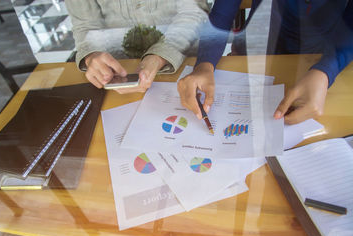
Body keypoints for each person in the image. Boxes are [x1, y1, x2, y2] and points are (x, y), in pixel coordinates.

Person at [178, 0, 353, 124]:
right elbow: (221, 14)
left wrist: (325, 71)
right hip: (252, 55)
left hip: (320, 58)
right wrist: (204, 64)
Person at [65, 0, 208, 94]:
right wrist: (91, 55)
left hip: (181, 63)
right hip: (118, 72)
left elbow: (193, 13)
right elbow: (85, 25)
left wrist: (159, 56)